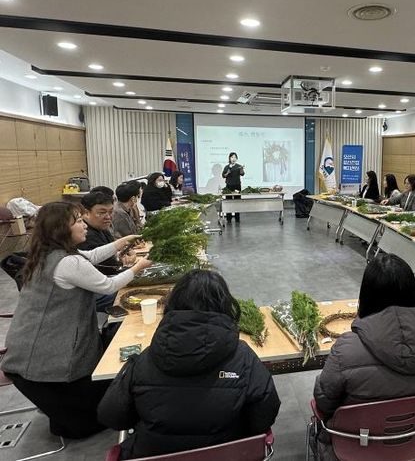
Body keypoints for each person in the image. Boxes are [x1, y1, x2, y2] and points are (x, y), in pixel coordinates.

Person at [1, 202, 151, 439]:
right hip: (46, 365)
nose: (85, 225)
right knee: (97, 418)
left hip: (24, 355)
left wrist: (121, 242)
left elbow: (91, 256)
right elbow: (108, 286)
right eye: (79, 221)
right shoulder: (68, 262)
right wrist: (138, 267)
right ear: (62, 229)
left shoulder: (48, 254)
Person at [98, 270, 280, 460]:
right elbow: (266, 411)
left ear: (172, 304)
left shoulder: (144, 361)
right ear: (225, 306)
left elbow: (111, 416)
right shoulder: (243, 357)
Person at [313, 254, 415, 460]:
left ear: (366, 295)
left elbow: (323, 403)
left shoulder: (346, 349)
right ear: (412, 293)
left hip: (357, 450)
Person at [79, 191, 127, 311]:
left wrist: (123, 251)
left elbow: (110, 252)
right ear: (85, 213)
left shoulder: (100, 227)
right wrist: (124, 262)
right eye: (101, 213)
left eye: (110, 212)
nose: (108, 217)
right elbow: (109, 266)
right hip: (94, 293)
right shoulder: (85, 236)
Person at [222, 152, 245, 223]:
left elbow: (242, 174)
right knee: (228, 202)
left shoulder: (239, 166)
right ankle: (228, 218)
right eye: (232, 157)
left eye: (235, 157)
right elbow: (223, 176)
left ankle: (237, 218)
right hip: (229, 186)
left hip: (237, 186)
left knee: (237, 202)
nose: (233, 159)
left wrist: (241, 169)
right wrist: (227, 173)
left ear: (236, 158)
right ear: (229, 158)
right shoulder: (226, 167)